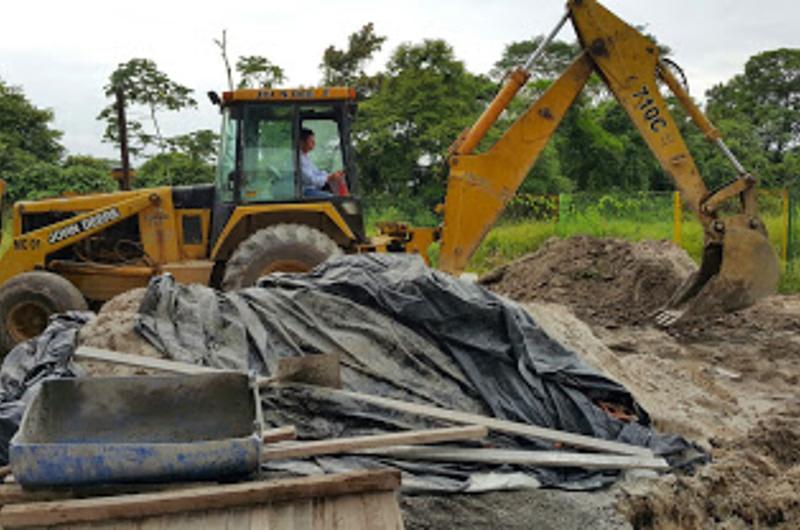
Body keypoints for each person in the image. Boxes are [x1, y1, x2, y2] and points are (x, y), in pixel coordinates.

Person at [299, 128, 346, 198]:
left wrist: (331, 175)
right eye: (311, 141)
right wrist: (329, 178)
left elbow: (316, 173)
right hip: (305, 191)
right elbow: (311, 179)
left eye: (314, 141)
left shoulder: (305, 157)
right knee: (333, 199)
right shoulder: (299, 159)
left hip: (311, 189)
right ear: (301, 142)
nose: (314, 143)